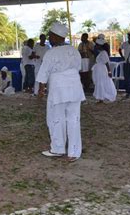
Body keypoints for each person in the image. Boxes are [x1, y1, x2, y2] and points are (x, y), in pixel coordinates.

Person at [37, 22, 85, 163]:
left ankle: (58, 149)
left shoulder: (51, 52)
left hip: (58, 88)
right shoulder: (74, 51)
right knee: (74, 119)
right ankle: (74, 152)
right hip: (75, 86)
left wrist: (41, 89)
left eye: (50, 36)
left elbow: (44, 72)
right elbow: (78, 68)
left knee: (55, 118)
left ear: (56, 36)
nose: (49, 38)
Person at [92, 38, 117, 102]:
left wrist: (109, 71)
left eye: (96, 45)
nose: (95, 46)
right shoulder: (100, 52)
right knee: (100, 82)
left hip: (102, 70)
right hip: (99, 69)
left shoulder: (103, 53)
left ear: (99, 46)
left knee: (102, 82)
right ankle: (101, 97)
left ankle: (103, 97)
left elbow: (106, 63)